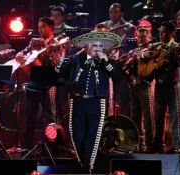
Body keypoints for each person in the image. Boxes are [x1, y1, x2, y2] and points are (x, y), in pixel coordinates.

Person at [57, 31, 123, 172]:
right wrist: (60, 62)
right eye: (94, 45)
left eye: (100, 45)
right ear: (86, 47)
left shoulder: (107, 61)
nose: (98, 48)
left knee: (92, 136)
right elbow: (61, 73)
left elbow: (118, 76)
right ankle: (83, 163)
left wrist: (105, 61)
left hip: (96, 103)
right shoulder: (76, 59)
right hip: (78, 101)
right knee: (77, 135)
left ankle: (88, 168)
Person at [14, 17, 66, 149]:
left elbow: (58, 63)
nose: (40, 29)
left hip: (49, 84)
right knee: (30, 115)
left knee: (50, 116)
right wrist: (20, 54)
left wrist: (47, 57)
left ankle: (51, 146)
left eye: (43, 27)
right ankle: (27, 147)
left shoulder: (58, 43)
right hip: (33, 83)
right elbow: (24, 52)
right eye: (39, 27)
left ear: (51, 28)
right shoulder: (34, 41)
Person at [142, 21, 180, 153]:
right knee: (158, 118)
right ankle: (157, 145)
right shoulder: (156, 47)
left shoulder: (179, 47)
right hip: (159, 87)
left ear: (172, 33)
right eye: (160, 32)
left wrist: (178, 55)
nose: (161, 34)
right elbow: (146, 60)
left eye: (164, 32)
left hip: (172, 86)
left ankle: (178, 146)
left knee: (175, 117)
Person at [117, 21, 155, 153]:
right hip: (134, 86)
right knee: (135, 117)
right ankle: (138, 143)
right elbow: (125, 69)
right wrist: (129, 75)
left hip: (146, 86)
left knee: (149, 116)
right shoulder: (133, 51)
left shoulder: (153, 48)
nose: (142, 38)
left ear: (149, 37)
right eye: (139, 36)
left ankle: (151, 145)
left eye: (144, 36)